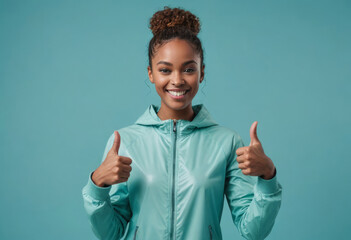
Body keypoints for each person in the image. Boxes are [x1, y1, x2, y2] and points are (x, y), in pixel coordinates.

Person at [82, 6, 282, 240]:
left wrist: (268, 176)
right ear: (151, 74)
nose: (177, 80)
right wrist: (97, 186)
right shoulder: (125, 141)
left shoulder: (227, 142)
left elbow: (253, 231)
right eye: (165, 70)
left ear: (202, 73)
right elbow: (110, 233)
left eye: (188, 69)